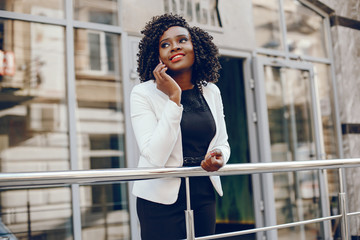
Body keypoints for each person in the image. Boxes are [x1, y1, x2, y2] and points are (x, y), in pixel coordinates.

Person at [130, 13, 230, 240]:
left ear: (197, 46)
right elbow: (155, 156)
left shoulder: (211, 91)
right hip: (159, 199)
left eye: (182, 40)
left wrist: (218, 156)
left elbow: (222, 142)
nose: (174, 47)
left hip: (203, 192)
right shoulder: (142, 93)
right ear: (157, 56)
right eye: (165, 45)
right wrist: (174, 98)